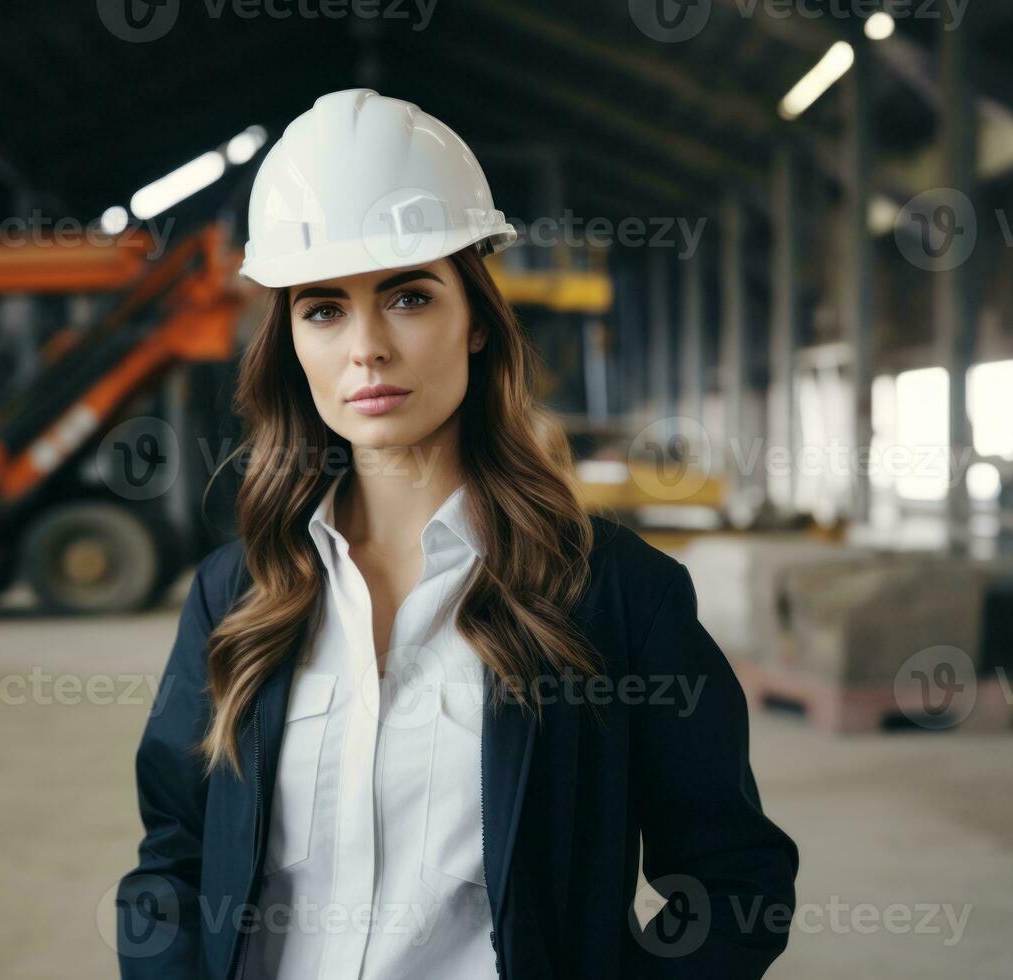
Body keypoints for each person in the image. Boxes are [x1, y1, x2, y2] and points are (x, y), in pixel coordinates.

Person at [117, 88, 798, 980]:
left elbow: (733, 883)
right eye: (322, 308)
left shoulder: (613, 594)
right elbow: (172, 858)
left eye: (406, 296)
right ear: (289, 341)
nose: (366, 347)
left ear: (474, 319)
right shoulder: (235, 593)